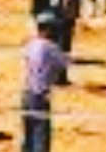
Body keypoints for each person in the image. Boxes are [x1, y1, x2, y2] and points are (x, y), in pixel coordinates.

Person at [20, 13, 69, 152]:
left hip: (26, 94)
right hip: (40, 95)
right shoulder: (50, 47)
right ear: (49, 30)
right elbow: (64, 63)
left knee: (28, 136)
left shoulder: (31, 45)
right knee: (40, 136)